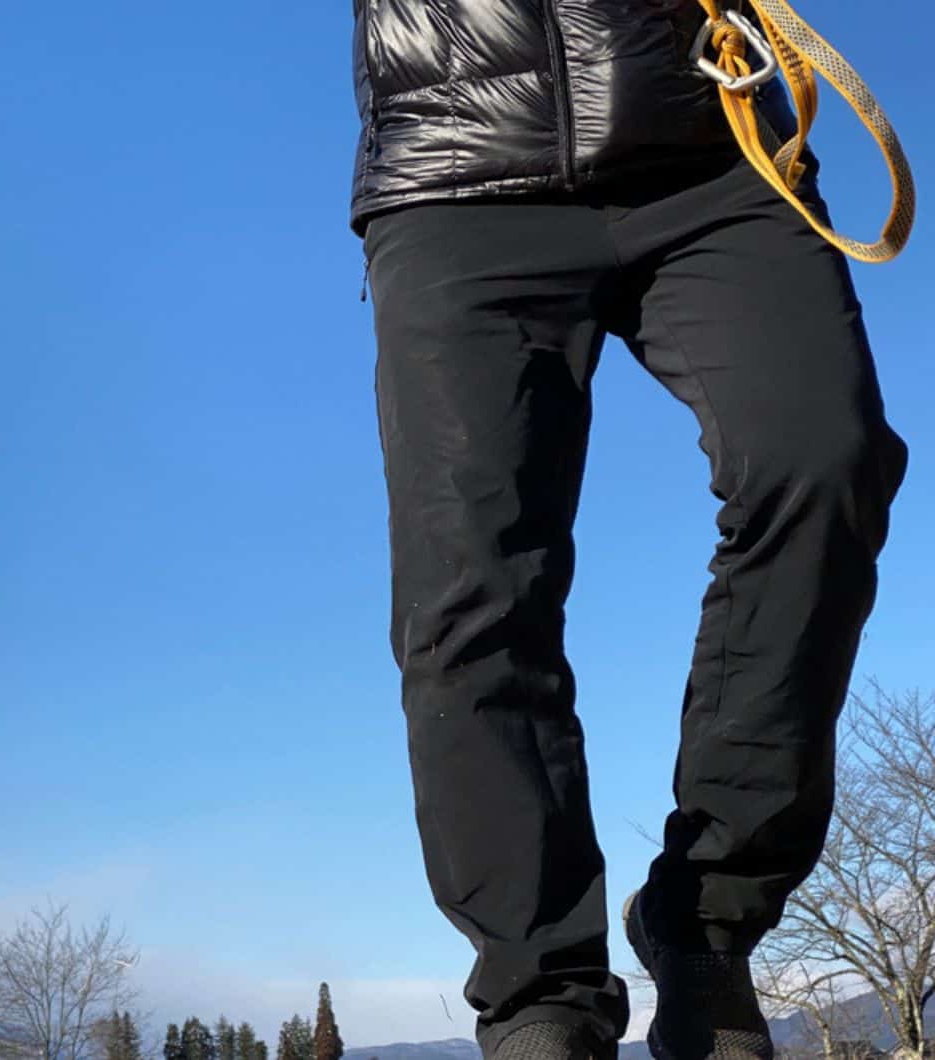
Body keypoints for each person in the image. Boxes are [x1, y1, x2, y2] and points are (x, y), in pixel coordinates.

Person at [351, 3, 908, 1059]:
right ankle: (537, 989)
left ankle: (705, 916)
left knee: (823, 461)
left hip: (712, 144)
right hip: (457, 155)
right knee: (469, 578)